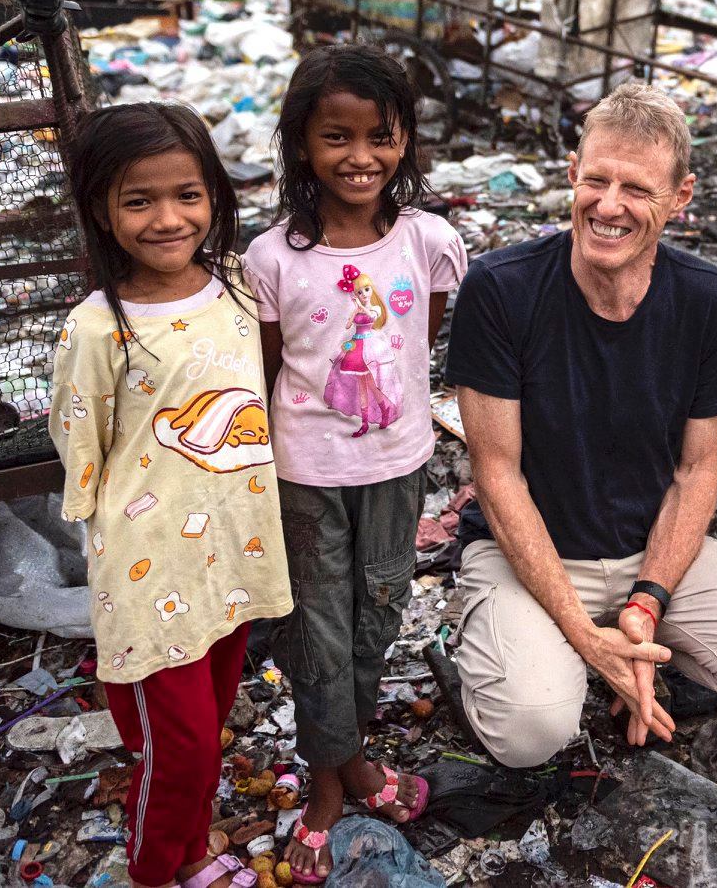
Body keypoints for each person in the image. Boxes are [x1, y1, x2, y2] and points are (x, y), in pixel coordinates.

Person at [444, 82, 717, 769]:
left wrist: (647, 603)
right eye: (596, 180)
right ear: (572, 176)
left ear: (681, 198)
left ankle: (632, 648)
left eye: (637, 189)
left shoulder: (710, 303)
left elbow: (697, 469)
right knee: (530, 735)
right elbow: (496, 475)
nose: (608, 206)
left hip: (651, 548)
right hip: (531, 550)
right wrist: (586, 637)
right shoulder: (501, 290)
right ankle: (536, 652)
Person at [50, 102, 293, 888]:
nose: (168, 218)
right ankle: (157, 868)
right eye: (138, 200)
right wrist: (107, 550)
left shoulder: (235, 287)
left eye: (187, 195)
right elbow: (78, 450)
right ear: (101, 211)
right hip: (150, 566)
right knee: (183, 744)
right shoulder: (97, 329)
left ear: (215, 196)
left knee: (207, 722)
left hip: (233, 546)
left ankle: (192, 847)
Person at [244, 45, 466, 882]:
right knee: (317, 629)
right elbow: (269, 370)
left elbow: (422, 339)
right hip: (304, 472)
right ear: (303, 145)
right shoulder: (271, 259)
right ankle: (334, 785)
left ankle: (346, 755)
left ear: (405, 138)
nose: (361, 157)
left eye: (381, 135)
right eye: (337, 137)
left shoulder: (430, 243)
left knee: (376, 614)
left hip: (399, 464)